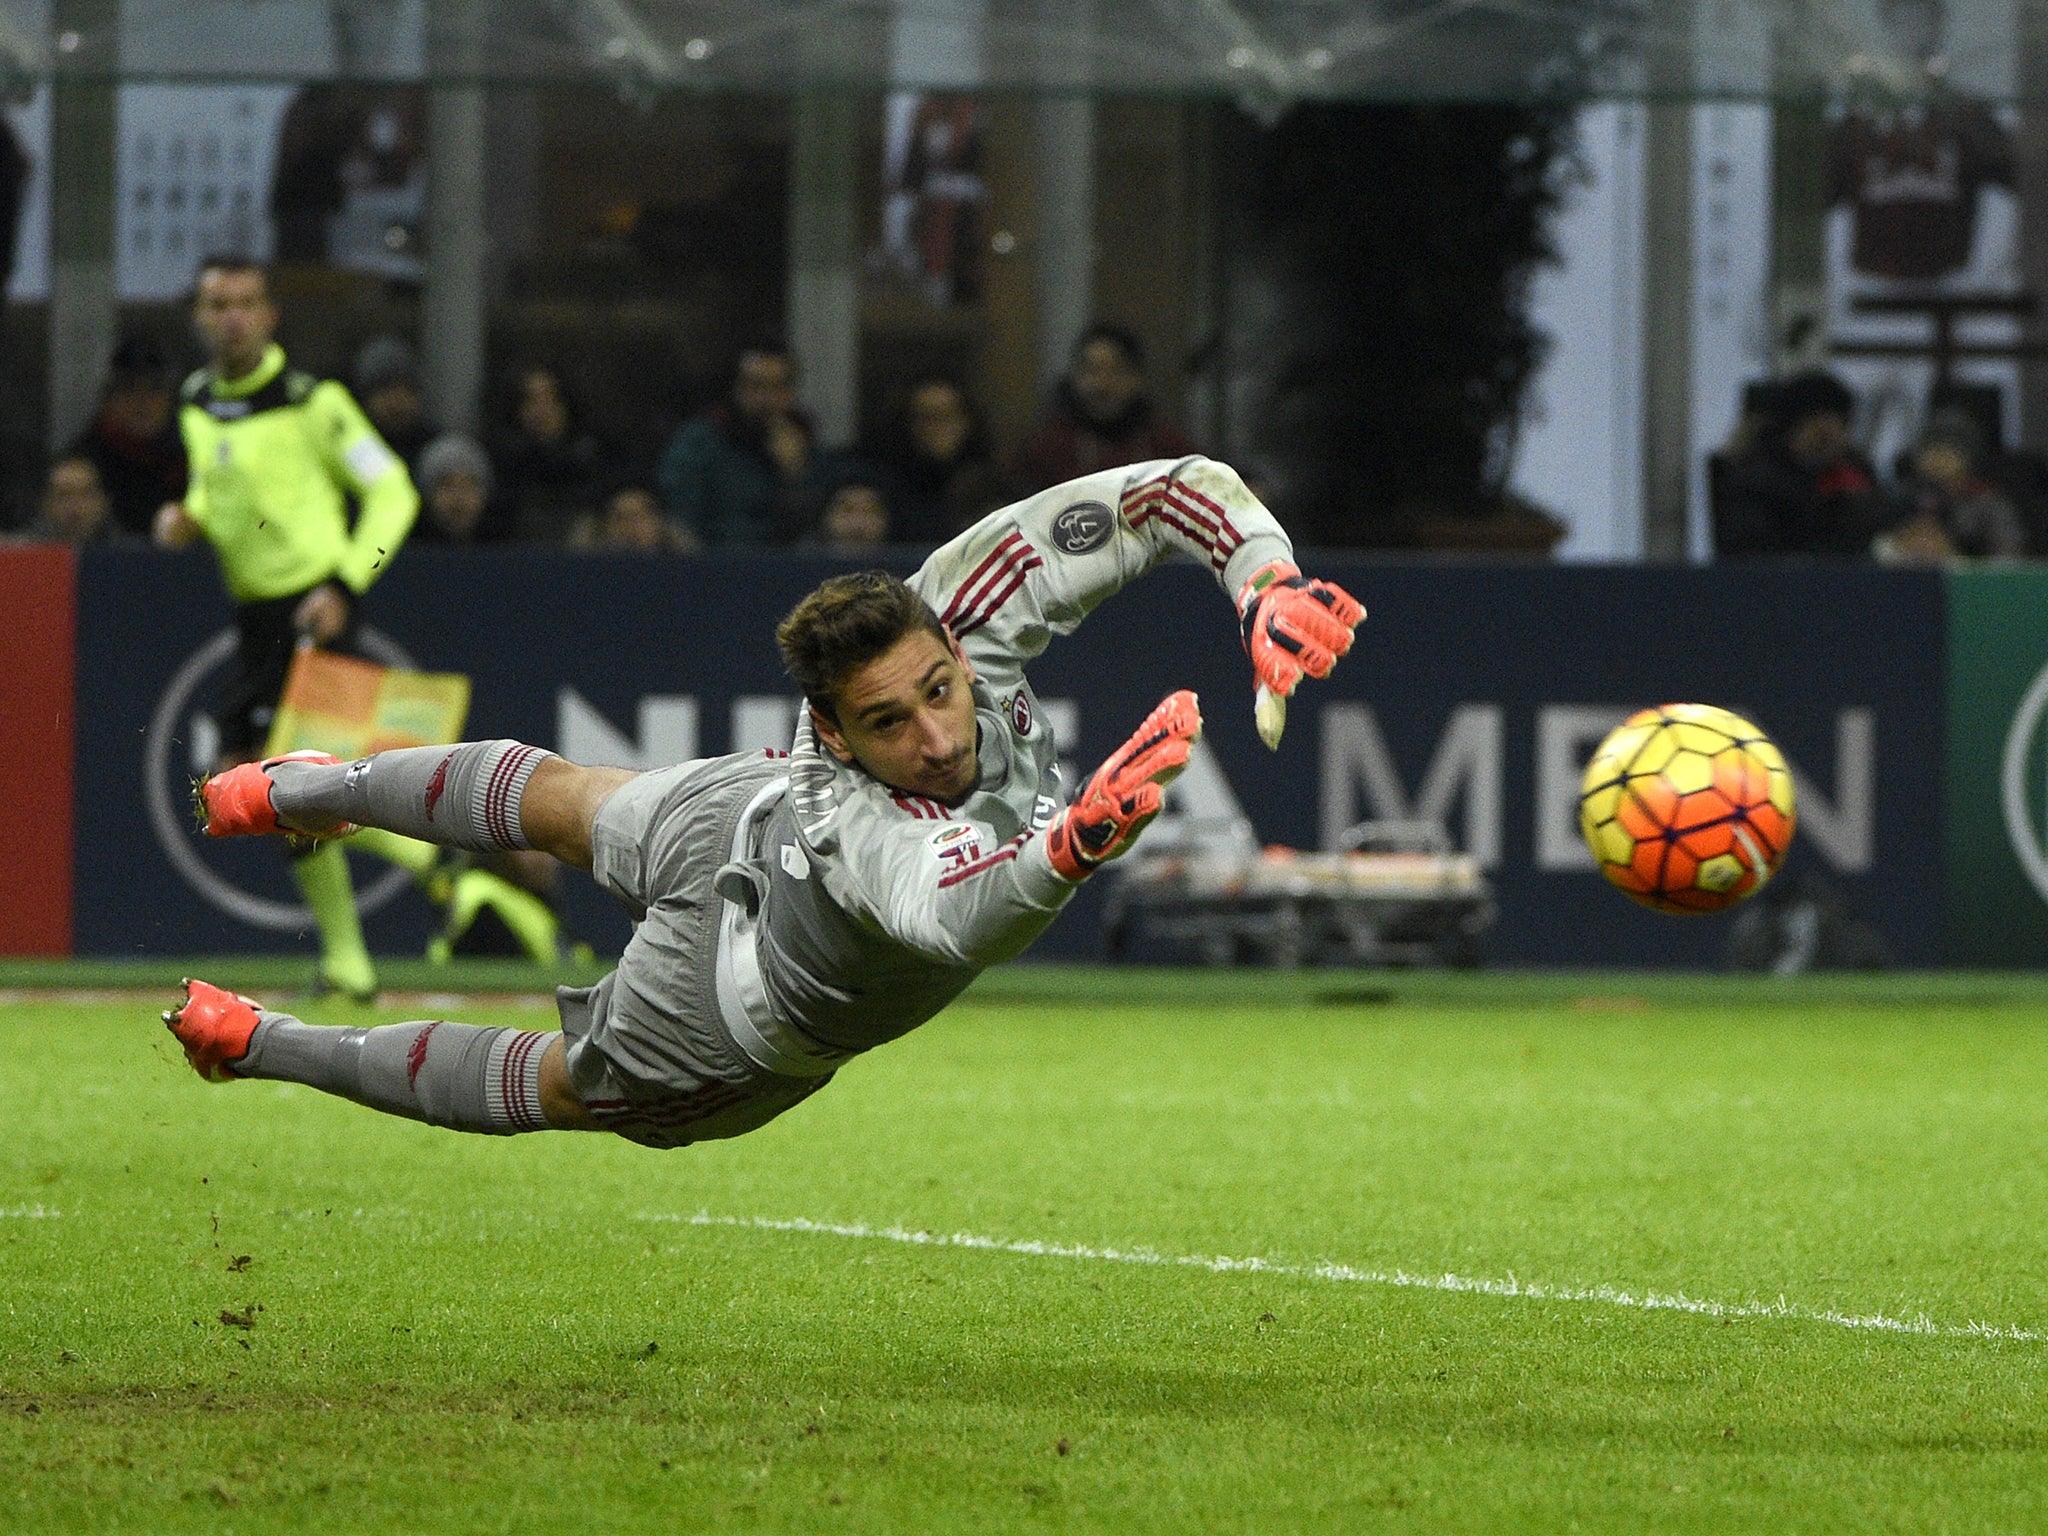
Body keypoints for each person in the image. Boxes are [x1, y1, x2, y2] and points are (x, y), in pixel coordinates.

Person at [164, 457, 1365, 1150]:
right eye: (890, 725)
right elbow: (957, 918)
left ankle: (278, 918)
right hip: (733, 1004)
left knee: (568, 801)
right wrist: (1070, 846)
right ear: (834, 733)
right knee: (568, 1062)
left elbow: (1173, 492)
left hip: (750, 899)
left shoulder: (958, 599)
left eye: (941, 691)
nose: (938, 737)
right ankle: (286, 910)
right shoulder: (857, 818)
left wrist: (1263, 584)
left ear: (950, 640)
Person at [152, 255, 421, 1000]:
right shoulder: (198, 399)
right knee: (263, 786)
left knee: (277, 781)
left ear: (270, 314)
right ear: (200, 316)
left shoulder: (316, 401)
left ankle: (361, 948)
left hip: (313, 605)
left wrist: (347, 579)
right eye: (217, 304)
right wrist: (189, 520)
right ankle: (433, 884)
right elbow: (219, 492)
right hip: (255, 614)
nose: (232, 317)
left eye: (245, 302)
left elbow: (394, 492)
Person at [657, 345, 829, 545]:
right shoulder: (700, 441)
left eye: (778, 387)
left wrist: (794, 474)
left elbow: (814, 527)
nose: (767, 398)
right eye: (756, 386)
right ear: (737, 388)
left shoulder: (804, 443)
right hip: (715, 563)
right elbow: (680, 519)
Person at [1712, 371, 1892, 558]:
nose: (1830, 435)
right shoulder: (1756, 480)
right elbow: (1752, 547)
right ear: (1794, 427)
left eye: (1838, 424)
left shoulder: (1852, 470)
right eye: (1818, 426)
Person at [1011, 325, 1196, 494]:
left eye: (1115, 371)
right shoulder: (1045, 449)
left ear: (1137, 378)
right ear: (1074, 375)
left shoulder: (1168, 448)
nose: (1102, 384)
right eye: (1091, 371)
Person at [858, 377, 1012, 543]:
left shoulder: (994, 484)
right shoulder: (886, 484)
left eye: (947, 415)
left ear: (967, 420)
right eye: (928, 417)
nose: (939, 427)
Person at [66, 335, 188, 539]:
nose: (142, 402)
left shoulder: (189, 457)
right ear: (108, 398)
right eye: (129, 388)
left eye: (154, 389)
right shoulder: (84, 464)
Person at [1879, 406, 2027, 563]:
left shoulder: (1987, 503)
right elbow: (1875, 548)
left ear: (1968, 458)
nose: (1938, 457)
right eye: (1931, 449)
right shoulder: (1903, 496)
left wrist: (1954, 557)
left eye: (1949, 450)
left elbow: (2007, 562)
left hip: (1968, 581)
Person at [490, 364, 605, 542]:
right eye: (532, 399)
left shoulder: (591, 458)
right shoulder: (502, 466)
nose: (542, 409)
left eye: (551, 397)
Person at [353, 335, 438, 482]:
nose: (394, 402)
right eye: (385, 392)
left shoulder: (434, 451)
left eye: (402, 391)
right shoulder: (352, 447)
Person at [411, 433, 505, 546]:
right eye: (446, 485)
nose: (459, 496)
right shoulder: (400, 548)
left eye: (469, 485)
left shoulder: (507, 545)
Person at [29, 455, 116, 544]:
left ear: (103, 501)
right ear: (46, 503)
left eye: (84, 495)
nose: (74, 507)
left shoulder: (127, 554)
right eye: (63, 495)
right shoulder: (22, 552)